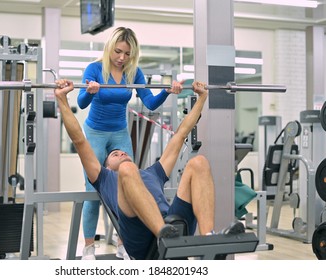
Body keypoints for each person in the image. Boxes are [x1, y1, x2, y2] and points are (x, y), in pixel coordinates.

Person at [54, 79, 245, 260]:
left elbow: (180, 136)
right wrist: (62, 99)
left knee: (199, 162)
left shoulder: (153, 172)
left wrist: (202, 98)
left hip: (172, 224)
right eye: (114, 155)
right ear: (106, 166)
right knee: (128, 169)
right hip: (139, 237)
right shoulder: (103, 178)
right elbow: (79, 139)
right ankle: (163, 235)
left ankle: (207, 239)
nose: (121, 154)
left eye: (122, 153)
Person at [77, 27, 184, 260]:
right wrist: (91, 92)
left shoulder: (134, 72)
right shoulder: (95, 69)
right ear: (109, 48)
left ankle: (123, 245)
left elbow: (151, 103)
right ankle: (88, 248)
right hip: (95, 132)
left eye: (127, 54)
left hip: (119, 131)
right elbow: (81, 102)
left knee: (129, 184)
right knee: (91, 191)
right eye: (118, 52)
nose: (121, 58)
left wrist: (166, 92)